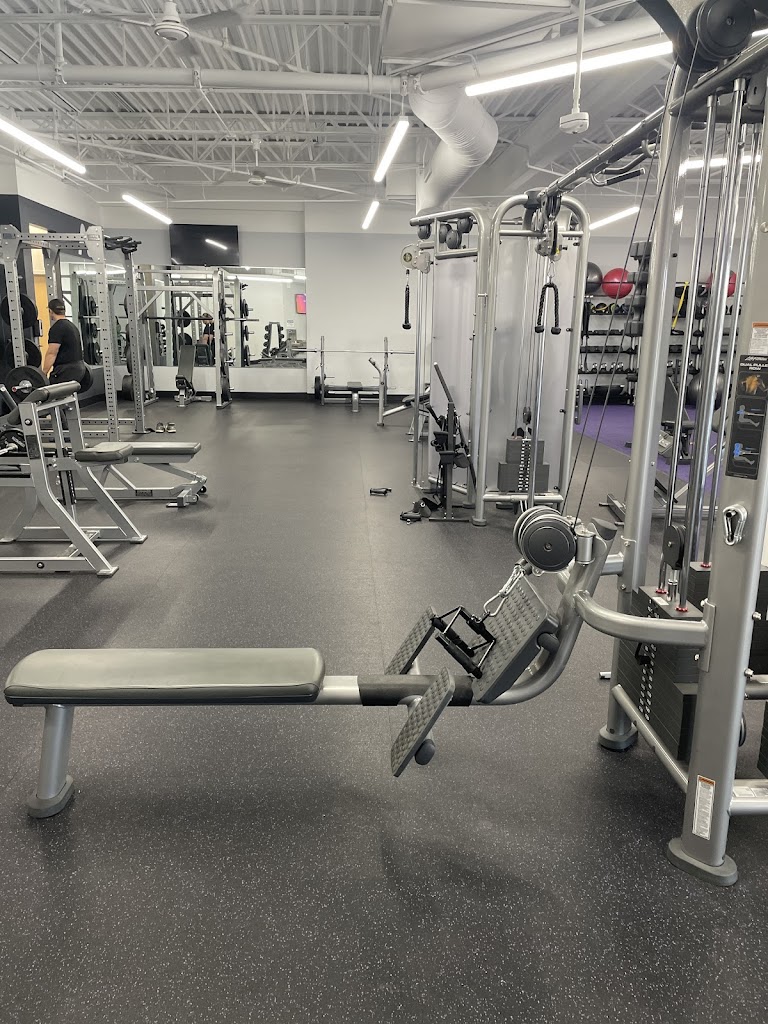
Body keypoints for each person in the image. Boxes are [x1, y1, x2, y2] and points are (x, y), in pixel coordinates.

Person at [43, 298, 88, 386]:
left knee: (51, 391)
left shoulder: (57, 328)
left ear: (50, 311)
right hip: (80, 368)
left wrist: (43, 373)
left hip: (66, 371)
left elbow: (52, 353)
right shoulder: (72, 326)